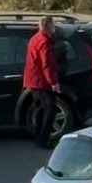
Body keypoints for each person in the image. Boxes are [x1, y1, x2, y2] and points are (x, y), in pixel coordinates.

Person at [23, 16, 61, 148]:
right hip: (42, 82)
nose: (54, 27)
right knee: (50, 110)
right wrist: (53, 82)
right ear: (48, 26)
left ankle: (38, 136)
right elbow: (47, 64)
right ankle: (43, 139)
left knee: (39, 109)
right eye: (53, 24)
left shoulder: (34, 38)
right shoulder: (45, 42)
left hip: (33, 80)